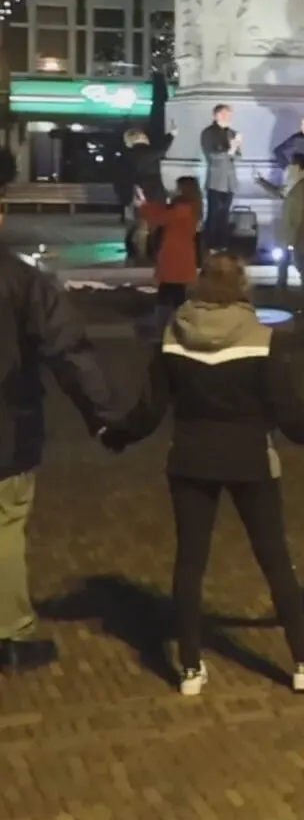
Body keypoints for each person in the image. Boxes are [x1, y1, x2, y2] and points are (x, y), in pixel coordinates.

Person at [102, 254, 304, 696]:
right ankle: (301, 662)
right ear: (242, 288)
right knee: (275, 560)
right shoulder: (261, 340)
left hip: (190, 459)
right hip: (251, 460)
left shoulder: (174, 336)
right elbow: (292, 415)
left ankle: (190, 668)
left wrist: (116, 436)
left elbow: (149, 411)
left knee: (190, 563)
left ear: (200, 287)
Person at [0, 148, 116, 676]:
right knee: (5, 529)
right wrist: (102, 415)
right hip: (7, 429)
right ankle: (10, 634)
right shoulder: (21, 281)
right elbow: (68, 349)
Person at [141, 176, 203, 324]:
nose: (175, 191)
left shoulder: (183, 208)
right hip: (183, 252)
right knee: (176, 289)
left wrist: (144, 206)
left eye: (178, 188)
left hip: (174, 253)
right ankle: (177, 320)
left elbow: (160, 218)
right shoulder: (191, 206)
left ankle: (169, 321)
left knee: (169, 289)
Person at [265, 154, 304, 312]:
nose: (289, 167)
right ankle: (284, 291)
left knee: (297, 261)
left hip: (294, 233)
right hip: (292, 233)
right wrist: (261, 182)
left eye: (292, 164)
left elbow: (299, 212)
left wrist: (292, 239)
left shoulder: (302, 184)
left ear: (299, 166)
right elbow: (281, 193)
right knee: (287, 261)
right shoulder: (299, 181)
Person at [118, 127, 173, 263]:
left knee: (139, 223)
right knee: (154, 224)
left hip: (137, 192)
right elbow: (162, 149)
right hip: (154, 191)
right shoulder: (149, 152)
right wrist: (171, 135)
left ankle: (135, 252)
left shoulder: (126, 155)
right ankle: (150, 252)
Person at [200, 106, 240, 250]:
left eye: (230, 115)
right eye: (225, 114)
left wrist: (236, 148)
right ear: (216, 115)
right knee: (214, 214)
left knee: (225, 214)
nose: (228, 117)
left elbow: (238, 156)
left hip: (229, 181)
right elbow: (212, 156)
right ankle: (211, 245)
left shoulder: (232, 133)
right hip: (216, 180)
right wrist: (230, 151)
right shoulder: (208, 133)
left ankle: (222, 244)